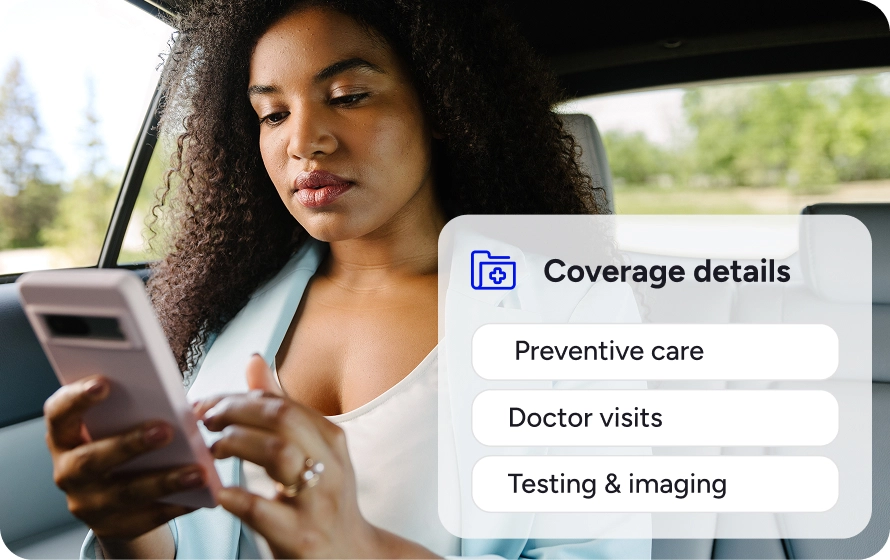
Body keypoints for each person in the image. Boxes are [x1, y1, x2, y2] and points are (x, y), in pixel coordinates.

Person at [41, 0, 648, 558]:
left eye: (349, 95)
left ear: (439, 104)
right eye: (273, 113)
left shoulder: (574, 307)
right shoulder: (228, 308)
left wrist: (359, 547)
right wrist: (133, 530)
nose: (304, 142)